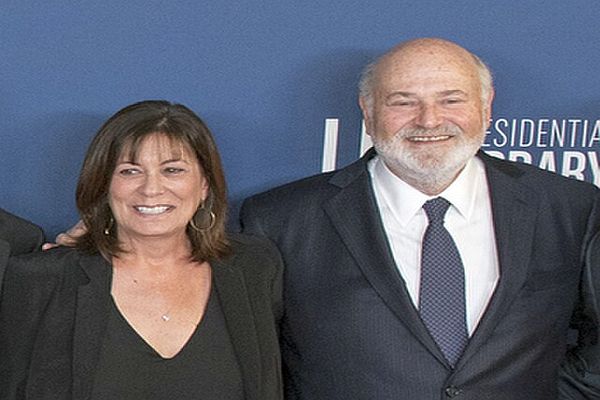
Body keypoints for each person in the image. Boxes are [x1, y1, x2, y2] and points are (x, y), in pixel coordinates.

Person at [240, 38, 600, 399]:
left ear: (486, 106)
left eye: (451, 100)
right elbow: (256, 366)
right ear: (367, 110)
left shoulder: (570, 207)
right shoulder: (279, 220)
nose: (429, 120)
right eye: (403, 102)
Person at [0, 100, 284, 400]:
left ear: (204, 185)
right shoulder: (41, 280)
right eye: (130, 171)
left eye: (172, 170)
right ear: (104, 184)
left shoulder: (255, 268)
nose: (151, 189)